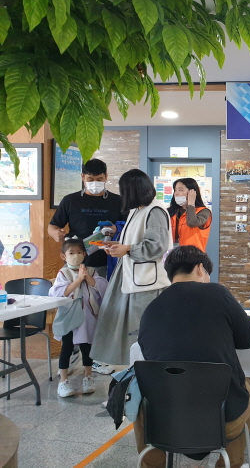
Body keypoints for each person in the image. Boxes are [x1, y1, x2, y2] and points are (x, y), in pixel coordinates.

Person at [134, 246, 250, 468]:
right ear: (201, 269)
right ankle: (230, 463)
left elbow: (148, 350)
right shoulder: (218, 294)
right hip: (220, 419)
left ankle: (152, 464)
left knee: (140, 405)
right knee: (249, 388)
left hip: (163, 420)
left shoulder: (151, 307)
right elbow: (248, 338)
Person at [90, 169, 172, 366]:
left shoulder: (155, 211)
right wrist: (118, 246)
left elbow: (156, 246)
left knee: (141, 333)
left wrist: (126, 249)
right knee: (128, 330)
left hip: (147, 283)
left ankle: (144, 373)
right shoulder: (137, 210)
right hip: (132, 277)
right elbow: (135, 240)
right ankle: (134, 370)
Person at [48, 158, 122, 376]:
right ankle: (70, 353)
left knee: (100, 311)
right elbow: (53, 225)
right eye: (90, 179)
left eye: (99, 179)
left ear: (106, 177)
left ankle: (96, 357)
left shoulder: (117, 201)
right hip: (75, 265)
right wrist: (56, 234)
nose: (95, 183)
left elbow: (127, 227)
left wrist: (115, 229)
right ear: (82, 177)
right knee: (73, 307)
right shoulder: (70, 200)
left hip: (106, 265)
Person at [49, 238, 108, 397]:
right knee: (67, 347)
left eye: (79, 252)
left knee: (87, 347)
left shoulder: (91, 271)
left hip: (88, 316)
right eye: (71, 253)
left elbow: (102, 288)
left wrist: (87, 277)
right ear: (63, 256)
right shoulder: (64, 273)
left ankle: (88, 377)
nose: (76, 255)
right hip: (70, 316)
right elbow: (60, 292)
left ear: (84, 254)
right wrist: (79, 279)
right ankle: (63, 381)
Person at [168, 177, 212, 252]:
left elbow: (192, 223)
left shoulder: (203, 211)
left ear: (192, 192)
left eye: (180, 190)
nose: (176, 193)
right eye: (175, 190)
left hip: (194, 255)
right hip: (172, 254)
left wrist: (191, 204)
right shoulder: (170, 212)